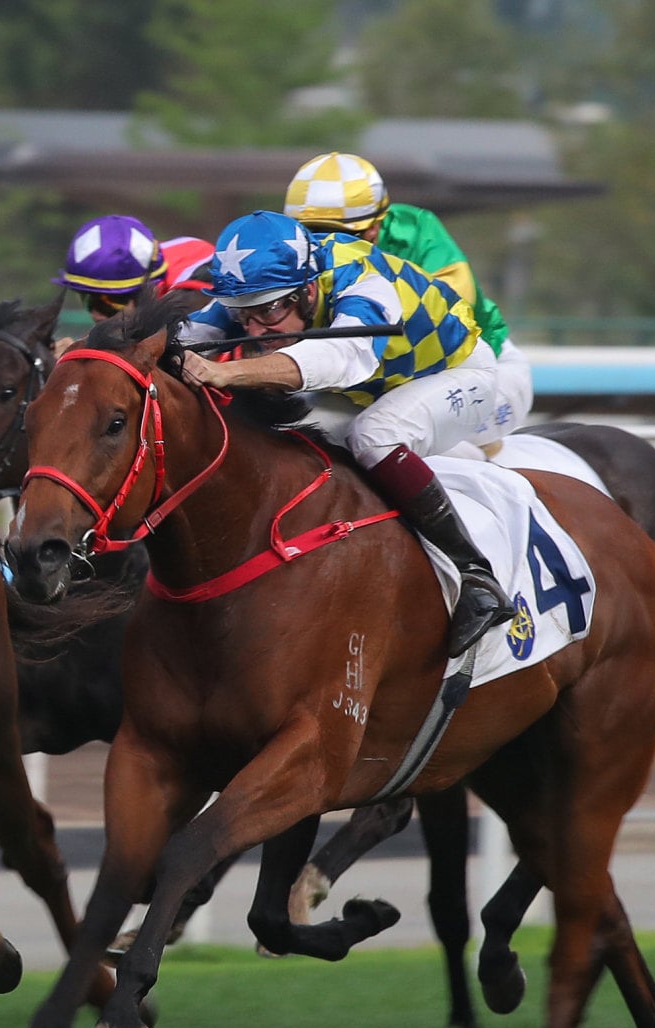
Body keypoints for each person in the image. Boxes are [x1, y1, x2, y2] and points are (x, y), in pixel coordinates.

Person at [177, 210, 511, 658]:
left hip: (457, 374)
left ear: (308, 289)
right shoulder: (254, 286)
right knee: (285, 431)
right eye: (243, 316)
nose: (256, 329)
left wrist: (231, 371)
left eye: (270, 311)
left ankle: (475, 577)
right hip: (371, 388)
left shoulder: (361, 277)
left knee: (375, 436)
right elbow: (183, 336)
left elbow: (343, 357)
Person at [284, 151, 533, 435]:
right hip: (372, 387)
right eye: (310, 233)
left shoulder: (416, 230)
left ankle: (490, 465)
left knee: (397, 439)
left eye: (343, 234)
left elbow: (448, 315)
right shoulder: (292, 251)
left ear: (375, 225)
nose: (328, 245)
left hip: (474, 372)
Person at [51, 214, 213, 322]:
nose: (95, 314)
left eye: (109, 301)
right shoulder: (144, 264)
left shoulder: (193, 292)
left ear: (151, 287)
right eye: (88, 296)